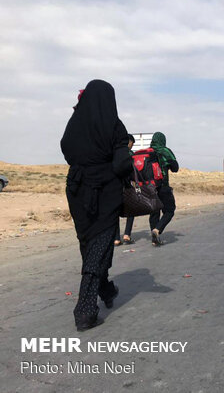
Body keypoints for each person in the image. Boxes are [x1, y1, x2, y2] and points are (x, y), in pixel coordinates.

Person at [61, 79, 133, 331]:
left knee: (88, 244)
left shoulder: (75, 123)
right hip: (105, 193)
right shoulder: (115, 126)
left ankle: (106, 289)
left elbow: (66, 148)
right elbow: (122, 164)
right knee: (99, 247)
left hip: (77, 189)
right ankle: (85, 310)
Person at [149, 132, 179, 246]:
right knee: (169, 210)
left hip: (148, 188)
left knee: (154, 213)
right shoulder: (165, 151)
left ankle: (154, 241)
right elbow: (175, 168)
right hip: (162, 186)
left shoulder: (148, 152)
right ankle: (157, 230)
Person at [115, 134, 136, 246]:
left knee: (115, 213)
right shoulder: (129, 154)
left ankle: (116, 239)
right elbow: (133, 171)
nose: (131, 147)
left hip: (114, 187)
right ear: (129, 142)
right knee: (131, 211)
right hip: (127, 186)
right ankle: (127, 235)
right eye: (132, 144)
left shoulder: (113, 152)